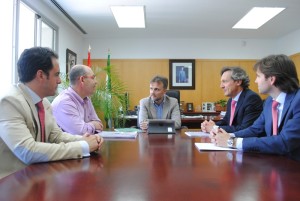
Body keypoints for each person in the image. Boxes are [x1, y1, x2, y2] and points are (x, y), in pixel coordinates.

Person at [0, 47, 103, 178]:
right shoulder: (9, 102)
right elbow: (28, 151)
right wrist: (82, 147)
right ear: (41, 75)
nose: (60, 81)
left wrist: (86, 139)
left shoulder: (44, 103)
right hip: (12, 184)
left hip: (37, 178)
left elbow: (56, 136)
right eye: (56, 74)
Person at [210, 54, 300, 161]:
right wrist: (227, 135)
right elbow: (255, 129)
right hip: (275, 164)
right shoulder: (269, 102)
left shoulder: (298, 101)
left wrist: (232, 142)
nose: (255, 81)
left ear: (272, 79)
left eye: (258, 76)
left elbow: (285, 142)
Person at [201, 67, 263, 133]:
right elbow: (226, 121)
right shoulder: (231, 100)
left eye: (224, 81)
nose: (221, 86)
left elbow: (245, 128)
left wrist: (215, 128)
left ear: (238, 82)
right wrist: (210, 125)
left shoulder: (251, 98)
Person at [52, 64, 103, 134]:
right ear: (82, 79)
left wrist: (87, 126)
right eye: (93, 78)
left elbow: (99, 124)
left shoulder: (86, 98)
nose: (96, 82)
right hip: (68, 144)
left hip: (84, 143)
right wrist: (93, 125)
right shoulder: (64, 102)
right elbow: (80, 132)